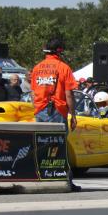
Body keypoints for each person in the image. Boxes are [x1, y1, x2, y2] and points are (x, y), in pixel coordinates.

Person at [31, 37, 80, 190]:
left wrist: (37, 108)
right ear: (59, 51)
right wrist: (73, 115)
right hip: (57, 111)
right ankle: (64, 180)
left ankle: (40, 179)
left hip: (40, 110)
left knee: (41, 146)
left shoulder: (37, 68)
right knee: (59, 147)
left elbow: (33, 93)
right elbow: (69, 95)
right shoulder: (63, 68)